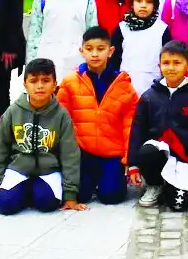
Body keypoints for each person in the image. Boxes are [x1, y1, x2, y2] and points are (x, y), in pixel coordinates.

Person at [0, 58, 86, 214]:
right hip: (18, 169)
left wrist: (70, 195)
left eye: (46, 80)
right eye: (33, 81)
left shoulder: (61, 115)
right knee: (5, 205)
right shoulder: (13, 111)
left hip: (48, 171)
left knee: (47, 204)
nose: (39, 86)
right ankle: (20, 193)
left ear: (54, 84)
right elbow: (0, 148)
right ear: (25, 84)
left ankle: (28, 193)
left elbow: (70, 155)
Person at [57, 26, 140, 206]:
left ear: (110, 51)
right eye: (89, 49)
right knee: (81, 195)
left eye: (100, 49)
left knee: (111, 197)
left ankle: (109, 178)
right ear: (82, 51)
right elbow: (61, 121)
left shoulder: (123, 85)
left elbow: (130, 125)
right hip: (82, 152)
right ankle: (91, 180)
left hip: (112, 152)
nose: (95, 54)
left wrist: (129, 159)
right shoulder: (70, 83)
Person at [127, 40, 188, 211]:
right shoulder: (149, 97)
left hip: (184, 158)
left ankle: (173, 186)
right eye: (166, 63)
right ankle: (155, 184)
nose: (171, 68)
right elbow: (137, 131)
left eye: (177, 63)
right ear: (159, 65)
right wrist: (133, 164)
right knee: (147, 151)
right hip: (156, 154)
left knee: (178, 205)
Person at [112, 0, 171, 94]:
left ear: (155, 5)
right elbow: (114, 60)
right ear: (132, 3)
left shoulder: (162, 30)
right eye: (139, 0)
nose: (143, 5)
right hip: (124, 87)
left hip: (154, 87)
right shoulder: (121, 29)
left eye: (149, 1)